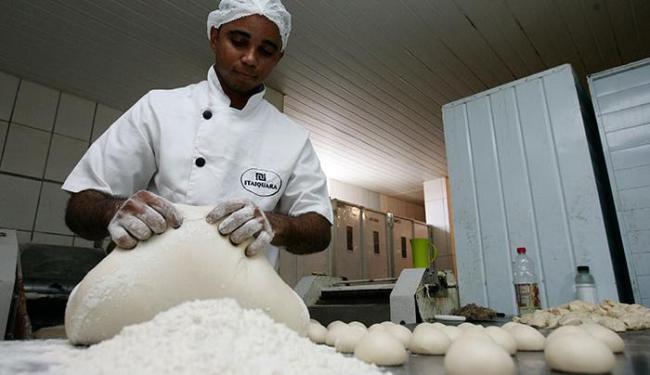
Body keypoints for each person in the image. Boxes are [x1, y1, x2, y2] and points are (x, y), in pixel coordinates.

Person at [63, 0, 332, 267]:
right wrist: (114, 211)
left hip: (243, 298)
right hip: (150, 284)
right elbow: (80, 207)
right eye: (238, 41)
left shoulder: (292, 138)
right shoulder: (159, 108)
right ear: (214, 37)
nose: (250, 58)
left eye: (266, 50)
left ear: (278, 58)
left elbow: (320, 230)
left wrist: (277, 224)